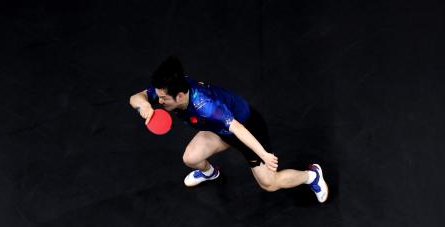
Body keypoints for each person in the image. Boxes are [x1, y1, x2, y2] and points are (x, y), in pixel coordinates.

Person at [129, 56, 328, 202]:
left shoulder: (206, 105)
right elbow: (135, 98)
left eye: (163, 99)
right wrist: (144, 105)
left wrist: (264, 155)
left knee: (269, 183)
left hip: (247, 129)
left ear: (179, 96)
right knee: (191, 158)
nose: (159, 101)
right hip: (218, 130)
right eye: (158, 97)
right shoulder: (170, 89)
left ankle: (311, 176)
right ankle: (209, 173)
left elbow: (238, 129)